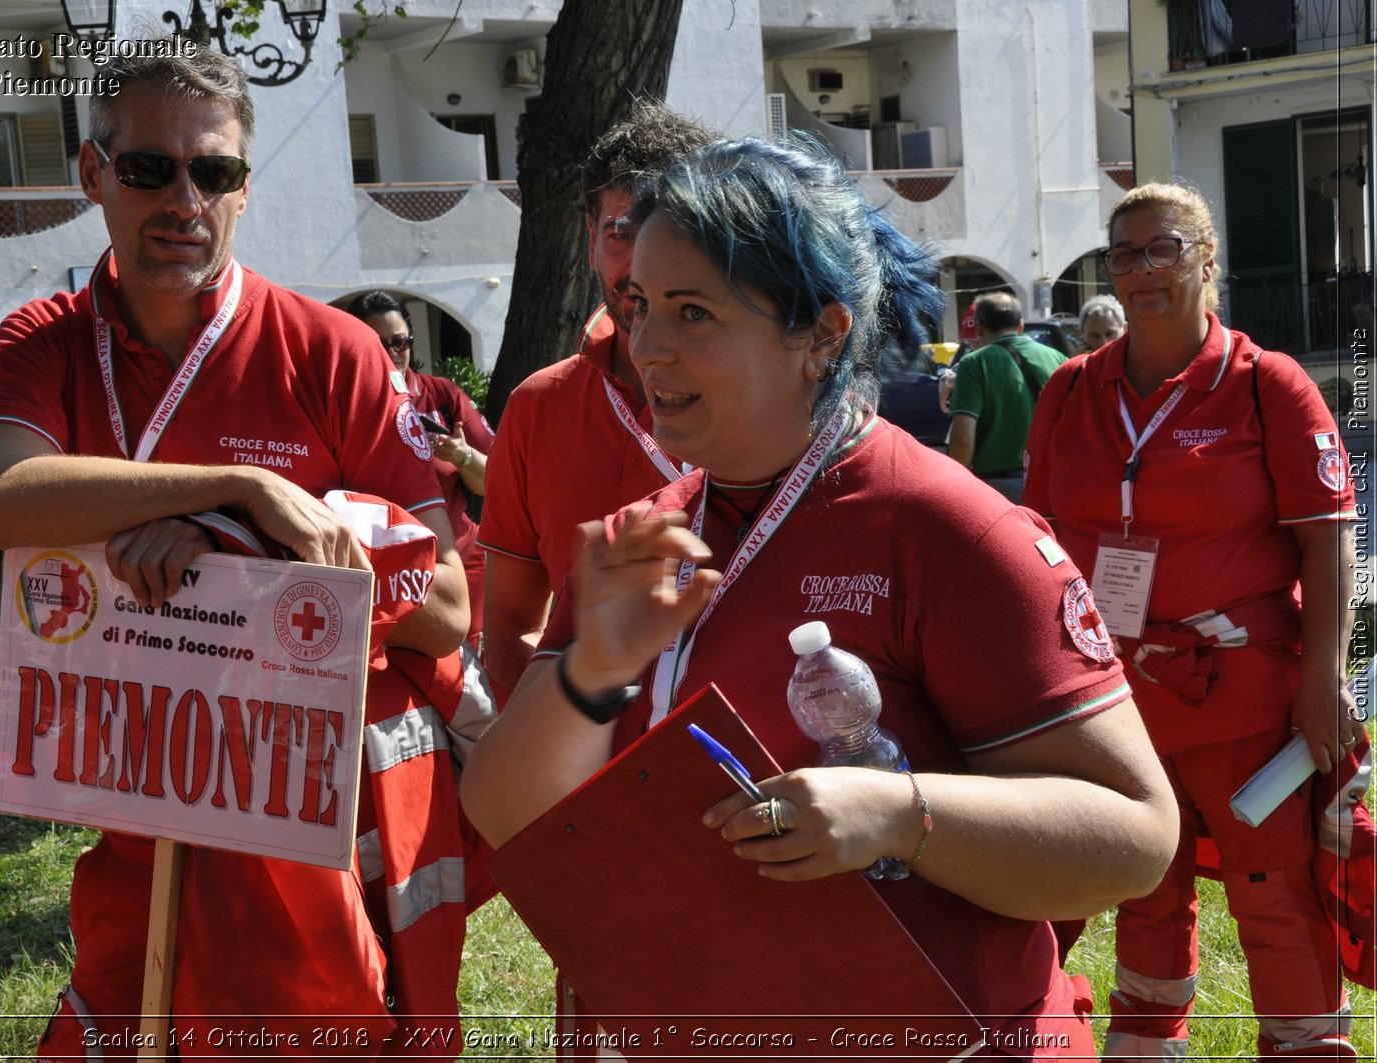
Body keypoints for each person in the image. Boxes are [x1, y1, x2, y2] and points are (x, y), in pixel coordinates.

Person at [461, 136, 1179, 1055]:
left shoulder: (951, 530)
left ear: (822, 336)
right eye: (640, 306)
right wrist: (590, 672)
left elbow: (1135, 835)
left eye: (694, 313)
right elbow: (504, 812)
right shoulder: (639, 541)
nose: (647, 348)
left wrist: (902, 814)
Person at [0, 47, 475, 1060]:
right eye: (150, 169)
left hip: (318, 822)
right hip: (141, 798)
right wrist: (238, 486)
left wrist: (226, 548)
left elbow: (449, 603)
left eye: (216, 172)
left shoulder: (331, 349)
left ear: (243, 187)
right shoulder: (45, 339)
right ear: (92, 175)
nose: (184, 199)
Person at [1023, 181, 1360, 1061]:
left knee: (1272, 893)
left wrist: (1323, 678)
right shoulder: (1069, 390)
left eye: (1162, 248)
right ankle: (1145, 1047)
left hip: (1244, 696)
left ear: (1207, 260)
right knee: (1142, 884)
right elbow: (1038, 542)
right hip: (1111, 696)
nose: (1140, 269)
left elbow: (1328, 542)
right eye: (1123, 253)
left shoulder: (1266, 384)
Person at [478, 101, 715, 699]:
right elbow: (509, 630)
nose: (642, 268)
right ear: (590, 239)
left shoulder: (771, 398)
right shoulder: (537, 409)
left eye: (673, 234)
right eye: (623, 234)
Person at [346, 290, 495, 648]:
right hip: (384, 573)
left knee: (474, 678)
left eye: (400, 341)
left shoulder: (442, 396)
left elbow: (494, 481)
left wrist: (462, 457)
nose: (393, 352)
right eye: (379, 344)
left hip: (460, 563)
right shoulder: (345, 404)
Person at [944, 290, 1066, 501]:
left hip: (998, 488)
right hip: (1053, 483)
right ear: (1020, 326)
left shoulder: (973, 363)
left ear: (979, 327)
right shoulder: (1058, 358)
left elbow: (963, 439)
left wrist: (956, 487)